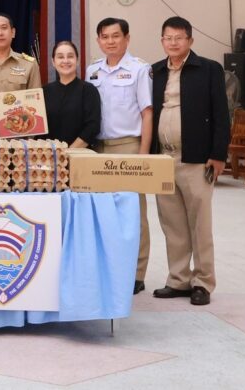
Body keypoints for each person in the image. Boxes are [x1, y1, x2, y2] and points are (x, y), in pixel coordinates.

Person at [150, 17, 229, 306]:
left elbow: (221, 114)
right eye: (168, 38)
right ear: (162, 41)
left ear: (190, 40)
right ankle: (178, 279)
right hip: (163, 157)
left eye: (179, 38)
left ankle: (203, 282)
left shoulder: (208, 69)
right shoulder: (156, 71)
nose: (173, 43)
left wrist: (218, 154)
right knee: (172, 223)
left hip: (196, 158)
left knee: (200, 224)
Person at [86, 17, 153, 295]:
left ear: (127, 38)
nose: (110, 41)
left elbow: (147, 113)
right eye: (105, 37)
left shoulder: (139, 69)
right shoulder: (92, 71)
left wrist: (143, 155)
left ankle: (136, 273)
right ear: (98, 40)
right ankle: (109, 268)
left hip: (129, 147)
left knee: (134, 213)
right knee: (103, 212)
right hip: (98, 149)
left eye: (116, 36)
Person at [43, 40, 100, 148]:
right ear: (53, 62)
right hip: (49, 155)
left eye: (70, 56)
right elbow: (40, 129)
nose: (65, 61)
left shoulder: (88, 90)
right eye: (60, 57)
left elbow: (92, 127)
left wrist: (69, 152)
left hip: (80, 155)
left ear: (77, 60)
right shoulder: (44, 91)